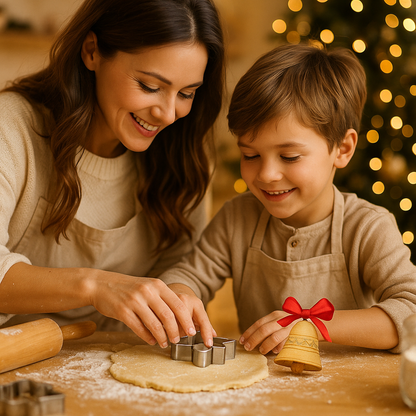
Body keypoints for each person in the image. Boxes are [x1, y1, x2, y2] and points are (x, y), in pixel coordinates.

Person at [160, 43, 416, 354]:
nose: (266, 174)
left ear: (343, 149)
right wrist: (180, 294)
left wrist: (312, 326)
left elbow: (411, 313)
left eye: (290, 156)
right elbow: (187, 274)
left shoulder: (367, 228)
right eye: (250, 154)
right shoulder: (236, 219)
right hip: (264, 395)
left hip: (350, 394)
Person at [0, 0, 225, 349]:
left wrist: (180, 293)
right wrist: (95, 287)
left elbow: (181, 267)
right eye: (150, 86)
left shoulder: (183, 153)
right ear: (92, 51)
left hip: (115, 373)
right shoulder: (10, 128)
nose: (167, 114)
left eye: (186, 94)